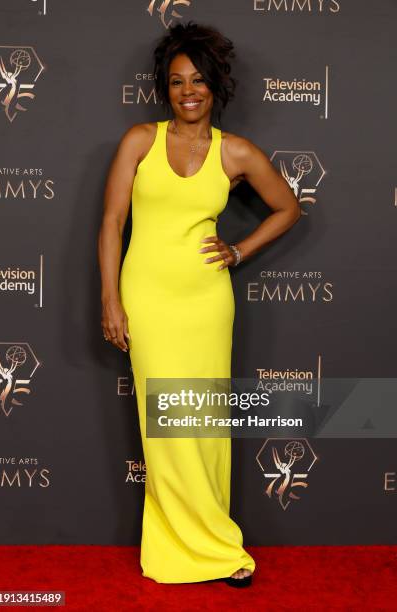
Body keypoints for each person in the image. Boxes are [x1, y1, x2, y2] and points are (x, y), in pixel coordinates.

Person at [98, 21, 300, 587]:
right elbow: (113, 222)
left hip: (206, 300)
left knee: (203, 422)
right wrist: (111, 299)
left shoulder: (236, 152)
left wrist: (239, 250)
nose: (188, 91)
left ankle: (216, 542)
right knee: (161, 425)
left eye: (199, 81)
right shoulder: (140, 140)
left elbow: (288, 208)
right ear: (167, 88)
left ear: (215, 87)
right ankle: (174, 548)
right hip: (147, 297)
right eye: (177, 81)